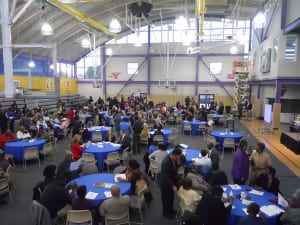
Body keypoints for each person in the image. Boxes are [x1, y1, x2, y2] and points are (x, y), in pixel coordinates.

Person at [159, 148, 181, 219]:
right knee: (166, 199)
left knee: (171, 197)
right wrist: (173, 186)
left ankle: (170, 209)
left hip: (171, 181)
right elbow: (166, 176)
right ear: (174, 155)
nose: (178, 158)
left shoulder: (173, 159)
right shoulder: (166, 162)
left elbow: (173, 170)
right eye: (178, 157)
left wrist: (177, 164)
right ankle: (166, 213)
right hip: (165, 184)